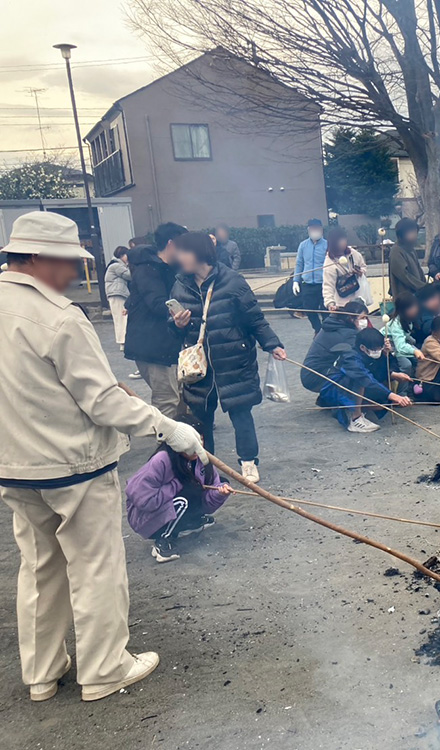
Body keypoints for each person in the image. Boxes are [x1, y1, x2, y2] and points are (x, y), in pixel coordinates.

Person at [0, 211, 206, 703]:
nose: (74, 273)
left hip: (15, 464)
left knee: (39, 568)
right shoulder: (58, 318)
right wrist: (170, 427)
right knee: (95, 567)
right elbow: (102, 402)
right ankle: (104, 669)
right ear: (34, 257)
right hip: (74, 464)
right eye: (67, 262)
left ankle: (42, 674)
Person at [169, 232, 286, 483]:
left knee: (241, 413)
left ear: (199, 253)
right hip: (199, 366)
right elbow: (171, 326)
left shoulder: (233, 281)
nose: (179, 257)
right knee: (200, 419)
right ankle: (205, 466)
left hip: (234, 359)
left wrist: (272, 344)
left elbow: (255, 318)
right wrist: (177, 323)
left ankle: (248, 462)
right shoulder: (180, 284)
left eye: (183, 252)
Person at [125, 415, 234, 562]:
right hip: (144, 517)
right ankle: (163, 541)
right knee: (187, 493)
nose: (197, 446)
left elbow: (206, 504)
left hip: (172, 505)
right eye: (191, 442)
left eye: (200, 440)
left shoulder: (203, 459)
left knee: (216, 483)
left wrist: (219, 493)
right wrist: (178, 484)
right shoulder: (161, 460)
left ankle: (190, 523)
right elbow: (143, 500)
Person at [124, 221, 187, 417]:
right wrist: (184, 310)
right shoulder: (148, 270)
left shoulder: (169, 268)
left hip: (165, 345)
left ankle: (184, 441)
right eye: (184, 245)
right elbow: (158, 304)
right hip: (153, 347)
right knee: (167, 401)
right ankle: (166, 445)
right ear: (171, 244)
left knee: (177, 397)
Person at [315, 326, 413, 432]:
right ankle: (355, 419)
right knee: (361, 380)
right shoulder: (351, 358)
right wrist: (394, 396)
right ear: (362, 347)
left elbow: (379, 372)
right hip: (337, 388)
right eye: (375, 349)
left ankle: (351, 407)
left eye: (380, 348)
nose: (378, 351)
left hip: (359, 385)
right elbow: (366, 379)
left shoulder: (368, 353)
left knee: (382, 406)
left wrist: (387, 357)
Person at [301, 299, 372, 391]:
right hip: (317, 375)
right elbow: (355, 360)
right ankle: (348, 404)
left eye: (366, 318)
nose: (365, 321)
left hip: (310, 372)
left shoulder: (335, 323)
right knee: (358, 375)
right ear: (351, 318)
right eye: (362, 318)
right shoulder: (347, 334)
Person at [292, 219, 329, 333]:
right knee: (309, 309)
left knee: (325, 310)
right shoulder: (303, 245)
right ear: (308, 230)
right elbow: (299, 263)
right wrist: (295, 280)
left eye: (317, 229)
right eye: (313, 229)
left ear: (321, 230)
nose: (315, 231)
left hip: (324, 283)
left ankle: (326, 331)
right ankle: (317, 330)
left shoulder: (327, 245)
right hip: (307, 283)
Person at [322, 226, 368, 310]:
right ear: (334, 243)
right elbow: (328, 285)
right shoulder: (329, 262)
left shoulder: (353, 253)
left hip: (358, 299)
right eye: (340, 241)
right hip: (342, 303)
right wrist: (330, 303)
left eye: (344, 240)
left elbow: (363, 266)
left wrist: (361, 272)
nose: (343, 243)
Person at [381, 292, 424, 377]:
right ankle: (402, 388)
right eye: (412, 308)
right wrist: (414, 351)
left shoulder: (408, 320)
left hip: (399, 344)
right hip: (390, 347)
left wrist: (411, 341)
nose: (415, 310)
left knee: (420, 359)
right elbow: (400, 347)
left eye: (415, 307)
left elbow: (404, 335)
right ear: (403, 309)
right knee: (406, 365)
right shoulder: (396, 324)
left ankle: (417, 382)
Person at [388, 217, 426, 300]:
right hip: (405, 298)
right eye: (410, 232)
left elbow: (419, 271)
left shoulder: (411, 249)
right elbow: (405, 276)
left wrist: (426, 287)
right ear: (401, 234)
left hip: (418, 295)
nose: (413, 235)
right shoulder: (396, 251)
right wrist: (422, 287)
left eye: (415, 232)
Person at [104, 246, 131, 351]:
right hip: (117, 294)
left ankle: (123, 341)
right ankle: (122, 342)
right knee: (121, 318)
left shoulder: (114, 264)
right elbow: (129, 275)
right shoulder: (116, 265)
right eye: (126, 255)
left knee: (121, 317)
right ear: (122, 255)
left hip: (117, 294)